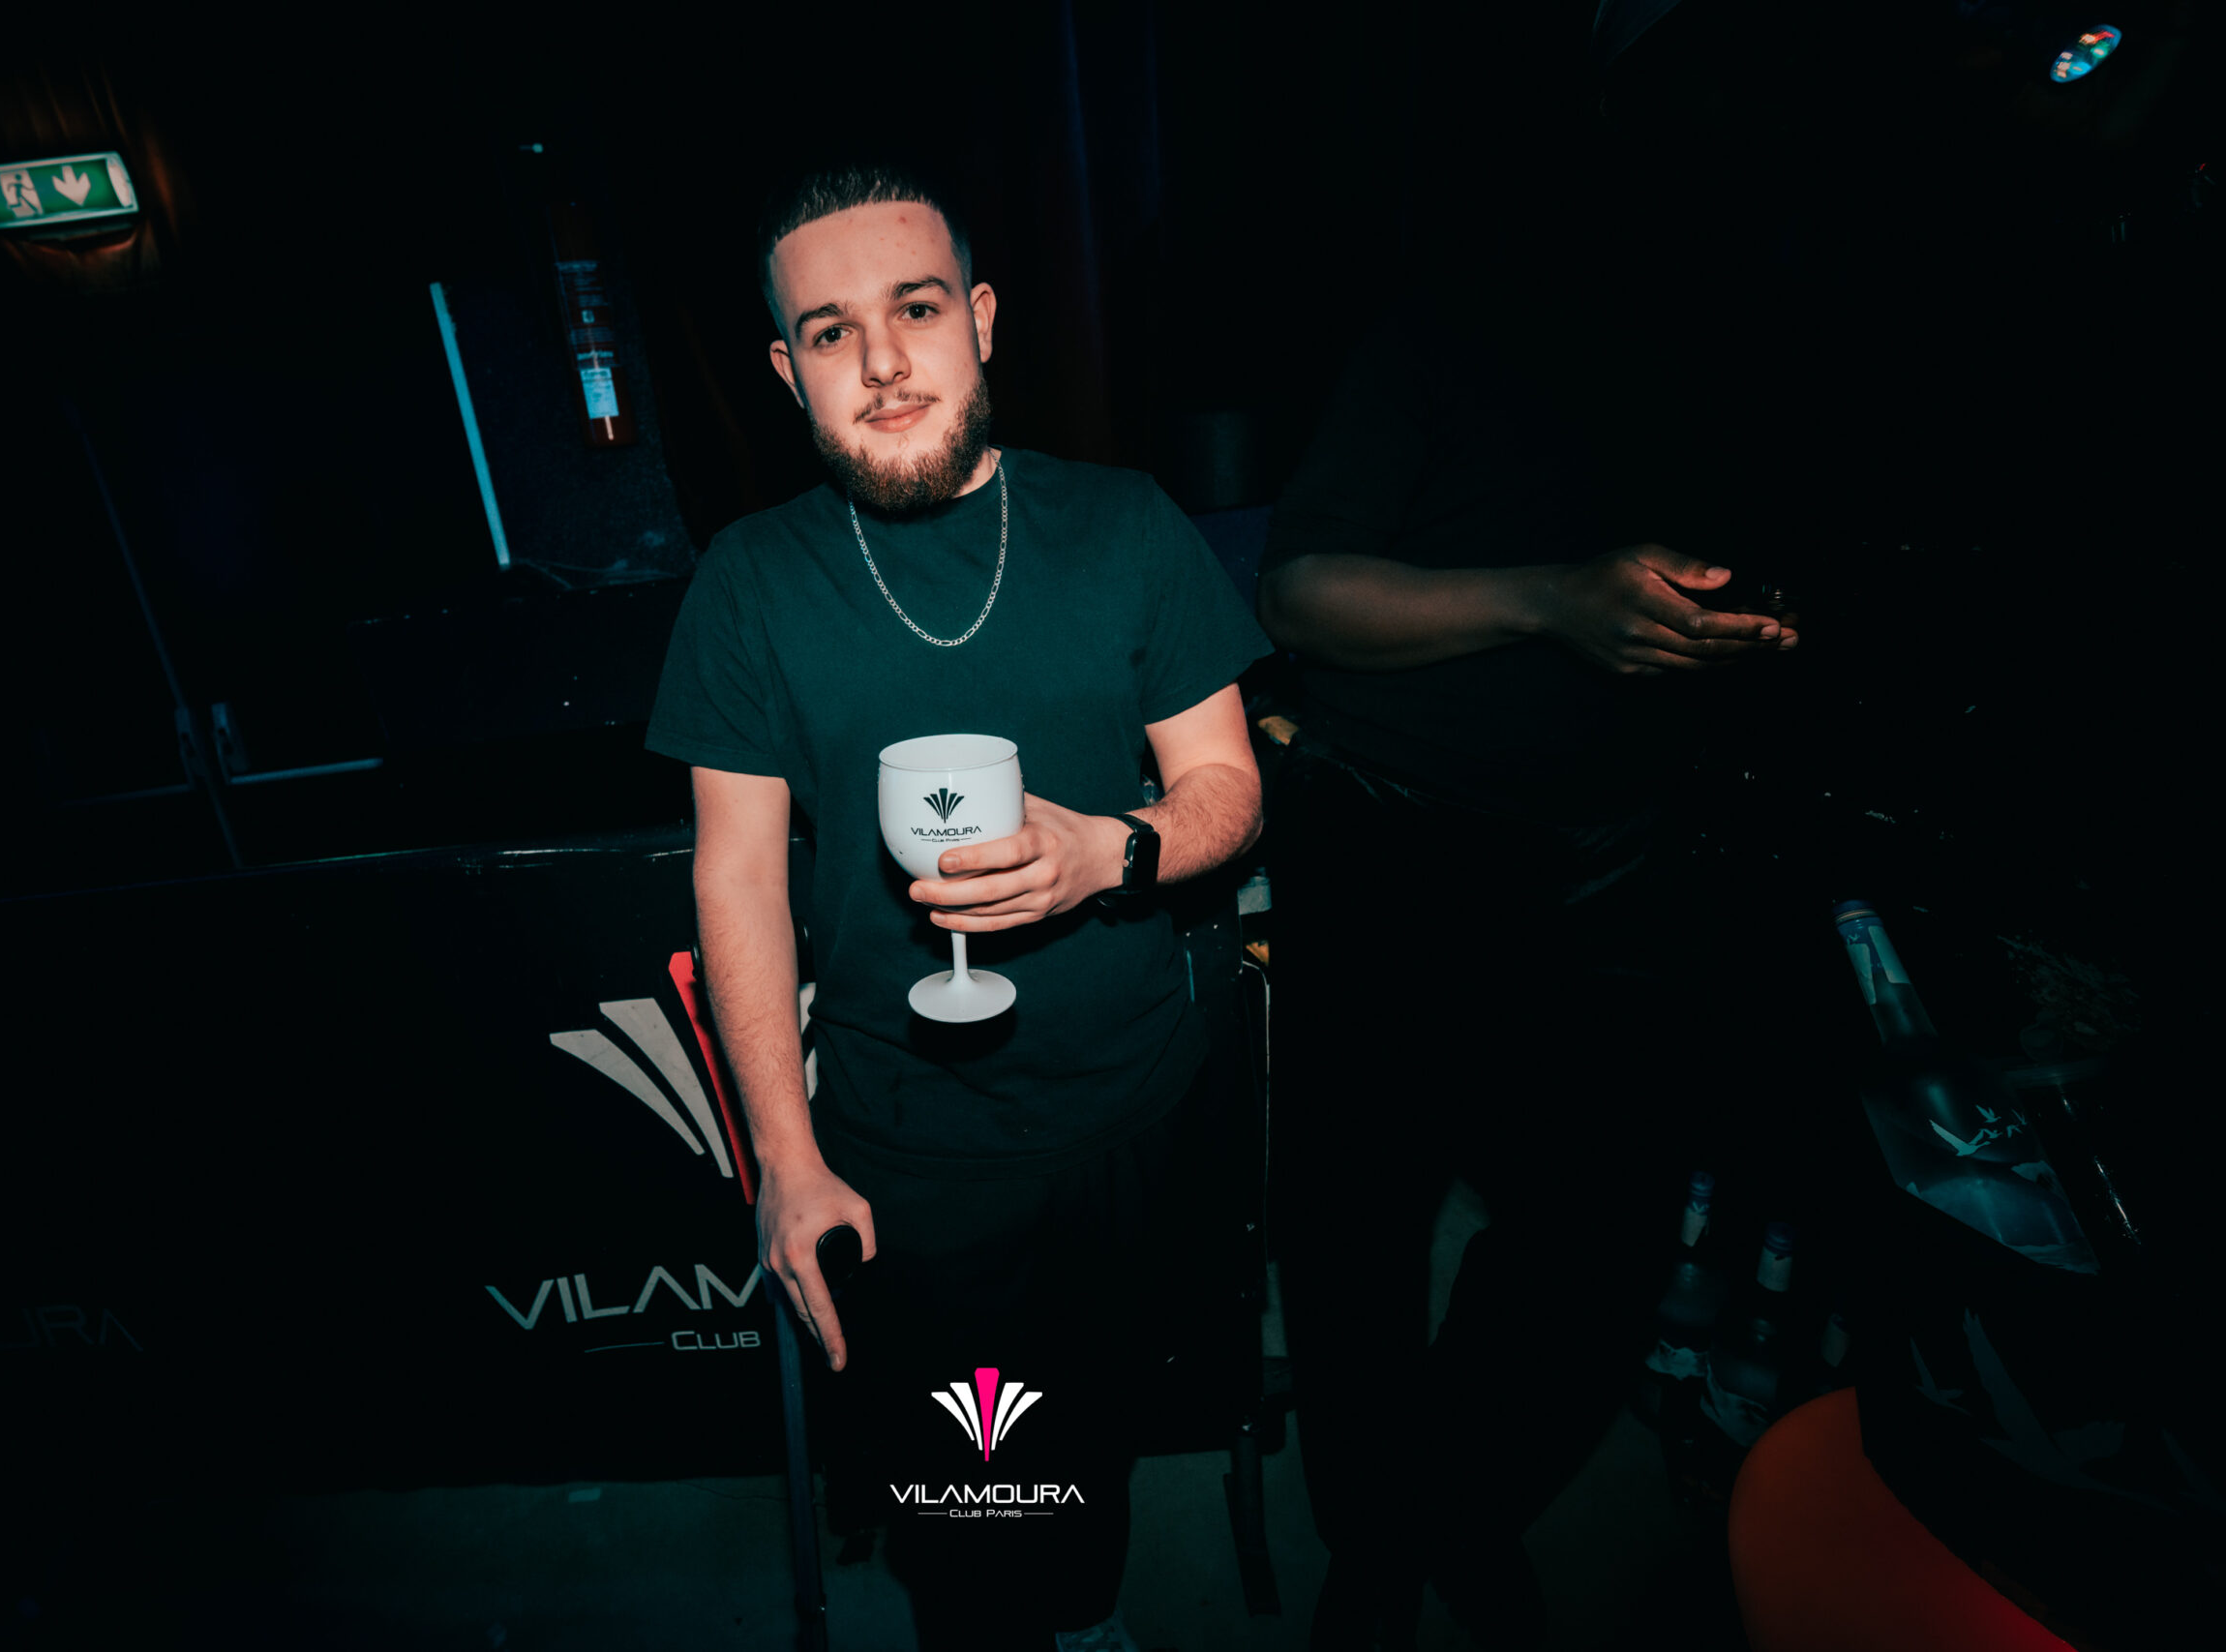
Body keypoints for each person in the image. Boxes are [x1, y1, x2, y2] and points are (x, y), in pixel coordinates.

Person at [644, 162, 1272, 1652]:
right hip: (912, 1148)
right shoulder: (750, 582)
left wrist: (1107, 854)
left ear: (980, 320)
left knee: (1096, 1441)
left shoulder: (1125, 525)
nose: (881, 361)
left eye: (916, 309)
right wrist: (784, 1161)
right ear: (787, 370)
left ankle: (1085, 1613)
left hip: (1136, 1114)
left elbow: (1229, 786)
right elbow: (736, 874)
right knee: (972, 1496)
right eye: (831, 330)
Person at [1256, 303, 1799, 1650]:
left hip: (1623, 853)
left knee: (1604, 1241)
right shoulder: (1436, 335)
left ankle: (1448, 1507)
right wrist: (1553, 600)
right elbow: (1299, 595)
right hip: (1392, 832)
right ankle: (1376, 1546)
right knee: (1357, 1236)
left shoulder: (1735, 356)